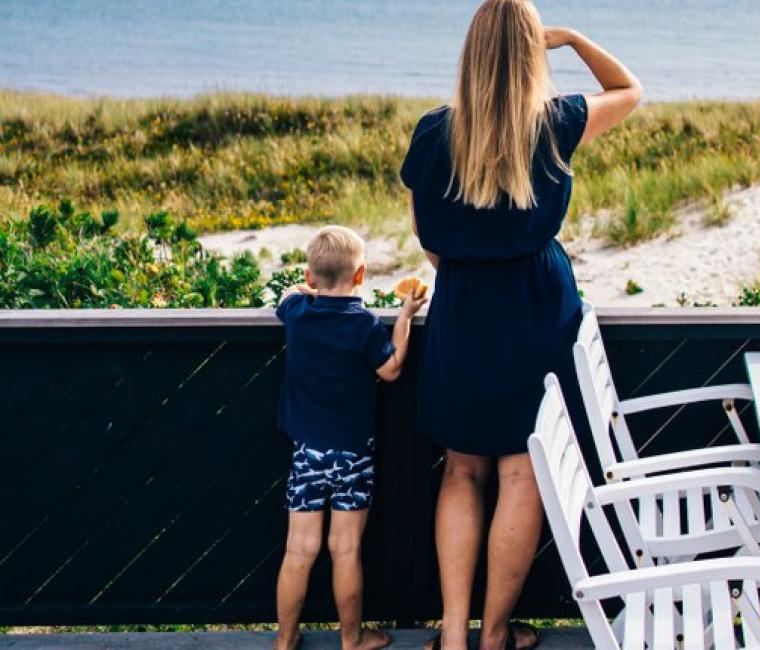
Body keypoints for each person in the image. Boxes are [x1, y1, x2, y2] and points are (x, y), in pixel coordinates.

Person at [397, 1, 641, 648]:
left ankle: (452, 635)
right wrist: (575, 39)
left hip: (464, 311)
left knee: (460, 470)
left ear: (471, 53)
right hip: (535, 306)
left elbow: (429, 240)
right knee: (522, 472)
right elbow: (629, 90)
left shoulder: (433, 133)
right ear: (533, 53)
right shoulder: (555, 124)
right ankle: (496, 631)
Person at [272, 225, 428, 650]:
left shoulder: (299, 314)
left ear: (311, 274)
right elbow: (391, 368)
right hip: (353, 454)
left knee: (299, 551)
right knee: (345, 549)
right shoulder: (363, 324)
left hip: (308, 452)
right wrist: (406, 318)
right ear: (360, 276)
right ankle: (352, 637)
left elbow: (287, 293)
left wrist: (306, 288)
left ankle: (285, 639)